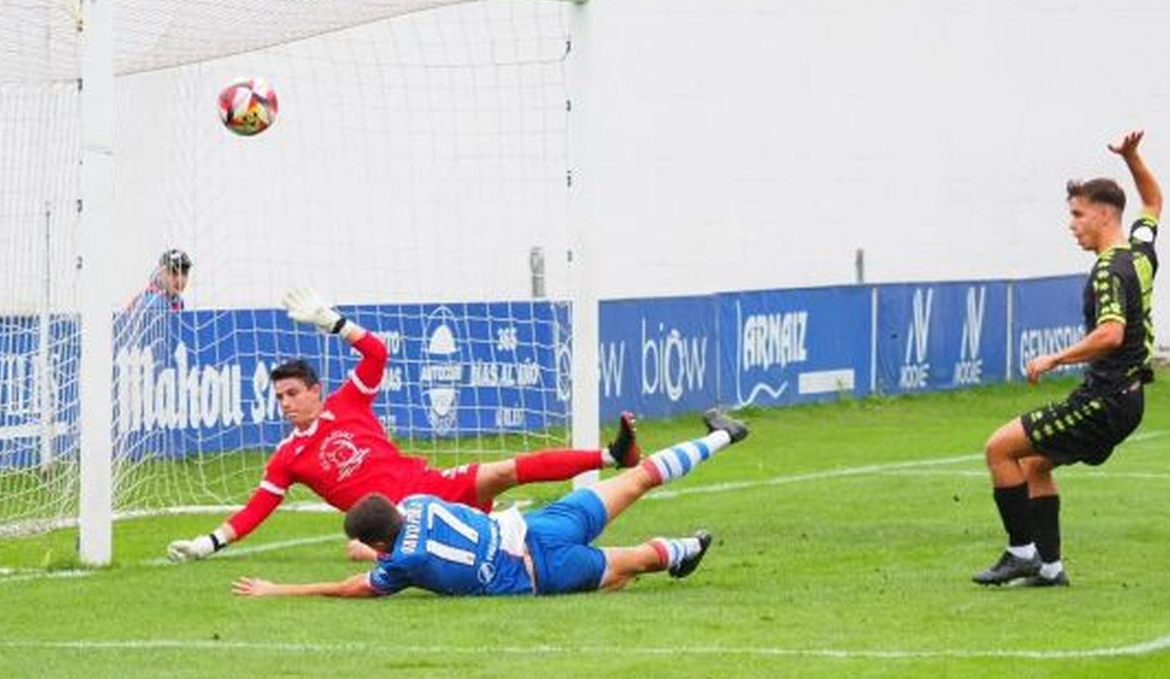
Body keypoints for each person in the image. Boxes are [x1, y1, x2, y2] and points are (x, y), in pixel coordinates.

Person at [167, 285, 639, 563]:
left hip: (430, 485)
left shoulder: (348, 403)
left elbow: (376, 352)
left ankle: (612, 456)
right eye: (279, 398)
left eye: (292, 394)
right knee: (359, 549)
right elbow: (256, 510)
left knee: (500, 471)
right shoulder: (288, 457)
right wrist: (208, 544)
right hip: (395, 524)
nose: (286, 404)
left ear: (315, 390)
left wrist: (331, 321)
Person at [230, 408, 748, 599]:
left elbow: (348, 588)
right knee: (636, 479)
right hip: (536, 525)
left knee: (631, 563)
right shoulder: (420, 502)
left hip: (541, 570)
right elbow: (391, 546)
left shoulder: (404, 563)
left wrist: (280, 589)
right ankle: (723, 437)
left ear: (380, 541)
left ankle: (686, 548)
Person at [973, 130, 1163, 588]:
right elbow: (1153, 203)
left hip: (1106, 397)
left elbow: (1111, 333)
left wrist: (1055, 359)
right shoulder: (1138, 253)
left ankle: (1021, 553)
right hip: (1128, 398)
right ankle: (1050, 569)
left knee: (999, 448)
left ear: (1103, 215)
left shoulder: (1107, 270)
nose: (1072, 224)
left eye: (1078, 215)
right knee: (1035, 463)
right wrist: (1134, 158)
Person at [128, 248, 191, 314]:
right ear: (160, 273)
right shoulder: (154, 302)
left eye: (184, 273)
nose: (179, 279)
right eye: (173, 272)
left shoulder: (176, 300)